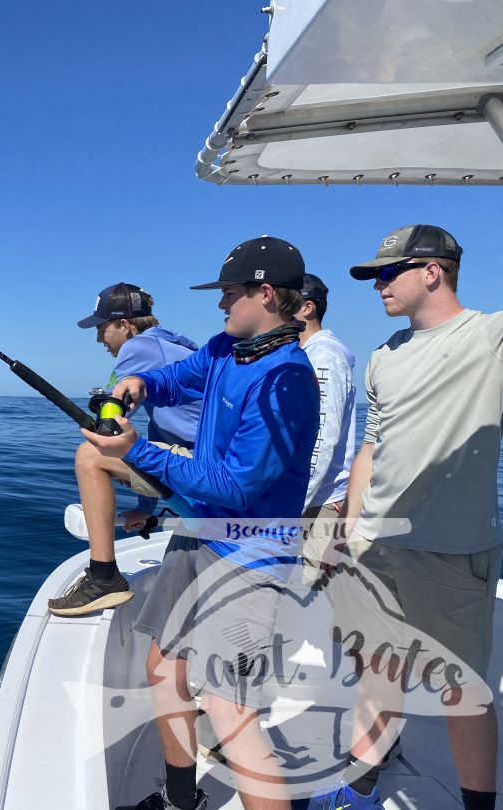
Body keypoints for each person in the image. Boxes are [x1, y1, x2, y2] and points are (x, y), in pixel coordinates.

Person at [87, 236, 320, 810]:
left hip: (251, 553)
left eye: (229, 293)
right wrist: (141, 385)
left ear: (265, 294)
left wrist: (136, 452)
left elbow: (237, 486)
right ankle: (180, 799)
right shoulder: (226, 347)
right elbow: (182, 377)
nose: (221, 305)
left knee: (229, 706)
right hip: (200, 536)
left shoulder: (285, 381)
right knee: (163, 668)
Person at [308, 225, 502, 810]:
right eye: (375, 277)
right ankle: (363, 778)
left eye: (389, 273)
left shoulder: (490, 337)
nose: (379, 286)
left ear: (433, 272)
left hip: (449, 551)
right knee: (375, 667)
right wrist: (347, 529)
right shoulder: (383, 355)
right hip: (375, 545)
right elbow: (372, 447)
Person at [47, 283, 201, 617]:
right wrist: (145, 507)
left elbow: (111, 419)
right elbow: (159, 434)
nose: (100, 339)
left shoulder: (140, 348)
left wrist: (100, 422)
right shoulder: (172, 346)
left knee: (90, 456)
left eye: (102, 329)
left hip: (203, 470)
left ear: (125, 325)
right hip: (205, 463)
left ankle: (104, 579)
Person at [295, 274, 357, 581]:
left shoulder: (323, 356)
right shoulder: (308, 355)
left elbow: (322, 440)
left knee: (312, 596)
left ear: (307, 308)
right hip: (309, 500)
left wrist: (291, 508)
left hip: (318, 505)